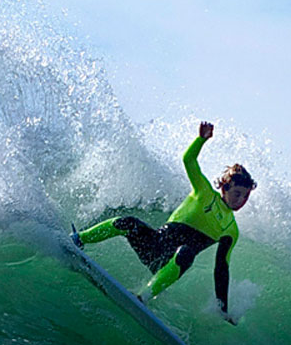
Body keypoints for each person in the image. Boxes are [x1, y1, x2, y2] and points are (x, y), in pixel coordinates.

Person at [73, 121, 256, 324]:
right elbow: (189, 160)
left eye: (246, 197)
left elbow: (221, 268)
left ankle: (142, 297)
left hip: (171, 263)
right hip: (153, 245)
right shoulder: (204, 192)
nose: (241, 200)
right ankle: (79, 239)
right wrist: (201, 140)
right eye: (237, 194)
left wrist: (223, 309)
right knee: (128, 222)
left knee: (187, 251)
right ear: (225, 187)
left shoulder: (231, 230)